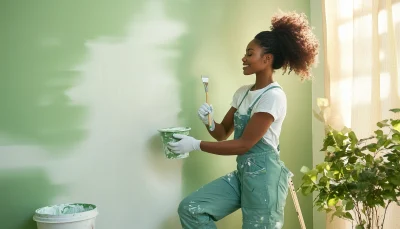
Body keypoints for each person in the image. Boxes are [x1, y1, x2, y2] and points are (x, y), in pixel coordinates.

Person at [168, 10, 319, 229]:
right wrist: (209, 122)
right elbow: (222, 134)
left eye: (250, 53)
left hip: (265, 180)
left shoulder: (273, 97)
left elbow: (244, 144)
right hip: (243, 175)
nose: (244, 58)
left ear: (266, 59)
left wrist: (195, 144)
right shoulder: (243, 93)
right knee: (191, 208)